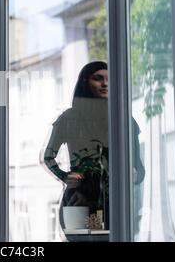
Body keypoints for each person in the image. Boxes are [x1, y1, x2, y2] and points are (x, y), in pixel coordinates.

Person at [43, 61, 145, 238]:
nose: (105, 84)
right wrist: (64, 176)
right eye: (98, 78)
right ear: (85, 82)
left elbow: (139, 169)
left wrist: (128, 178)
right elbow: (47, 156)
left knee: (106, 237)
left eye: (108, 79)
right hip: (80, 200)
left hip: (111, 202)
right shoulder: (70, 118)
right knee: (86, 239)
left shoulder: (123, 119)